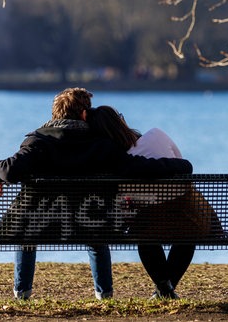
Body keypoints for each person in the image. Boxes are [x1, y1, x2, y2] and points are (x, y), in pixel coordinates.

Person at [0, 88, 192, 301]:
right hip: (93, 225)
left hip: (42, 224)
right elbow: (138, 167)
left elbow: (10, 171)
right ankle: (104, 294)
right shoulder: (102, 145)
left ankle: (22, 294)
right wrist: (180, 165)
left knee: (27, 230)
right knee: (96, 228)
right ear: (85, 114)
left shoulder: (38, 141)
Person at [86, 105, 200, 300]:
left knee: (143, 231)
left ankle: (164, 288)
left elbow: (124, 205)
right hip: (187, 218)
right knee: (187, 232)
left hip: (147, 223)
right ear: (119, 122)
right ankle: (165, 290)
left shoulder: (116, 161)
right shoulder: (155, 135)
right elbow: (183, 163)